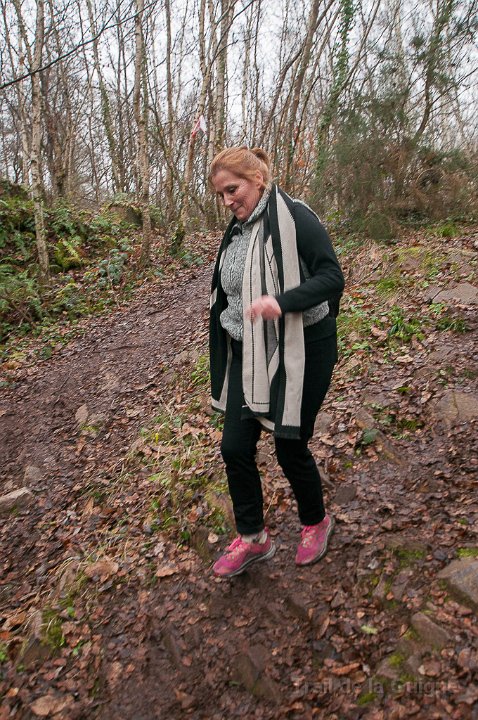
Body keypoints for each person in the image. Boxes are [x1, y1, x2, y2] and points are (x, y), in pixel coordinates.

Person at [209, 146, 344, 578]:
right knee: (234, 447)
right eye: (221, 194)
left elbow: (331, 277)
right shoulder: (236, 231)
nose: (227, 201)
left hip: (303, 346)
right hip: (248, 350)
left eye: (233, 189)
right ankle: (253, 538)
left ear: (258, 179)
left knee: (289, 445)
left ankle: (315, 522)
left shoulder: (296, 216)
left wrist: (282, 302)